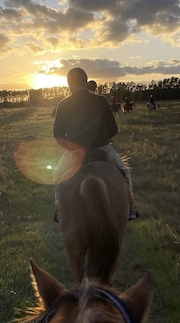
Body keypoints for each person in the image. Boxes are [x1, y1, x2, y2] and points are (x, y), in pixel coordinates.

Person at [53, 67, 136, 221]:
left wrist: (73, 149)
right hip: (102, 148)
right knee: (124, 172)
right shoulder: (101, 100)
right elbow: (113, 129)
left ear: (68, 83)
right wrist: (101, 138)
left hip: (75, 152)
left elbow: (58, 135)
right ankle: (130, 209)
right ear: (86, 81)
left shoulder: (63, 104)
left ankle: (60, 211)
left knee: (57, 175)